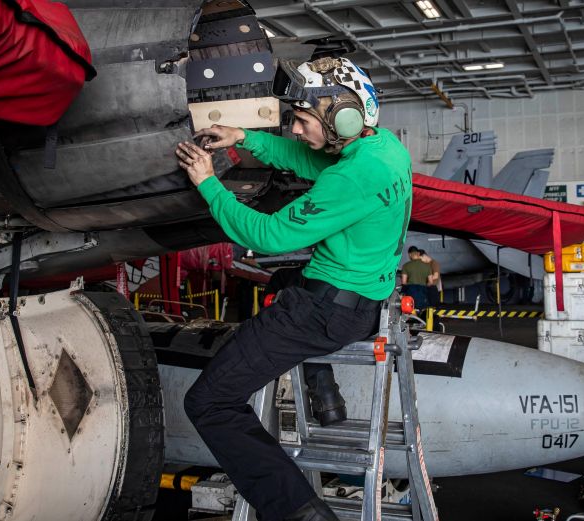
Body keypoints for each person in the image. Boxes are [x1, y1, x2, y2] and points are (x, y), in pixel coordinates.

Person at [174, 56, 412, 521]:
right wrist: (246, 139)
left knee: (208, 402)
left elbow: (266, 237)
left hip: (325, 313)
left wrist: (208, 183)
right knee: (284, 278)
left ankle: (299, 511)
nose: (297, 130)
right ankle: (325, 397)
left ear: (339, 117)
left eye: (302, 120)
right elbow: (309, 159)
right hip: (365, 298)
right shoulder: (383, 148)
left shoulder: (352, 176)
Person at [400, 246, 431, 311]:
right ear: (418, 253)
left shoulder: (406, 266)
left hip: (411, 294)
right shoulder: (427, 266)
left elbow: (404, 282)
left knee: (409, 310)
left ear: (409, 254)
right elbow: (430, 282)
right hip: (423, 294)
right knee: (422, 310)